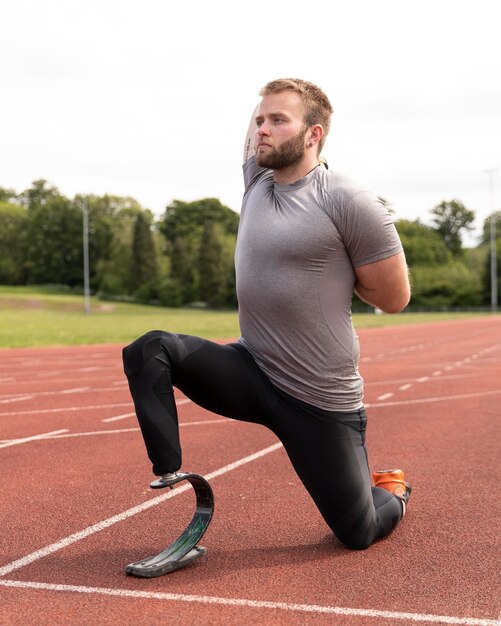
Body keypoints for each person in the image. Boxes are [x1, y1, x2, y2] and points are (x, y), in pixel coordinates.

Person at [123, 78, 412, 551]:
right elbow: (256, 132)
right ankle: (169, 472)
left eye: (278, 120)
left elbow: (394, 298)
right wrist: (266, 105)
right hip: (252, 370)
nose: (262, 130)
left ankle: (393, 491)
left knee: (357, 533)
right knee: (151, 349)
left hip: (317, 398)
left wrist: (337, 269)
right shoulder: (256, 180)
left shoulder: (350, 200)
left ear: (314, 134)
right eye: (259, 120)